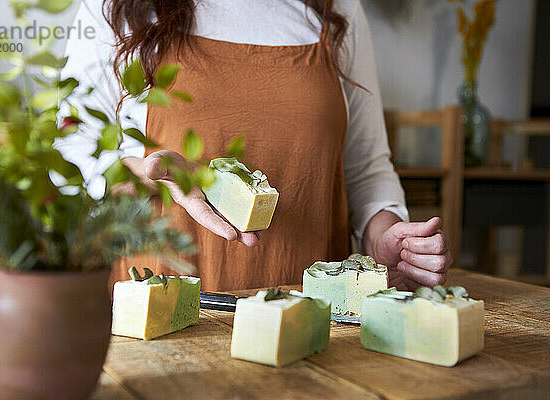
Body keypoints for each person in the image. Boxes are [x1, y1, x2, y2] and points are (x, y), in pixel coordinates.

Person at [59, 0, 452, 291]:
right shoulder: (115, 9)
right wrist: (147, 172)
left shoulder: (339, 10)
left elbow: (366, 170)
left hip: (317, 322)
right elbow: (69, 165)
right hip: (162, 320)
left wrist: (385, 237)